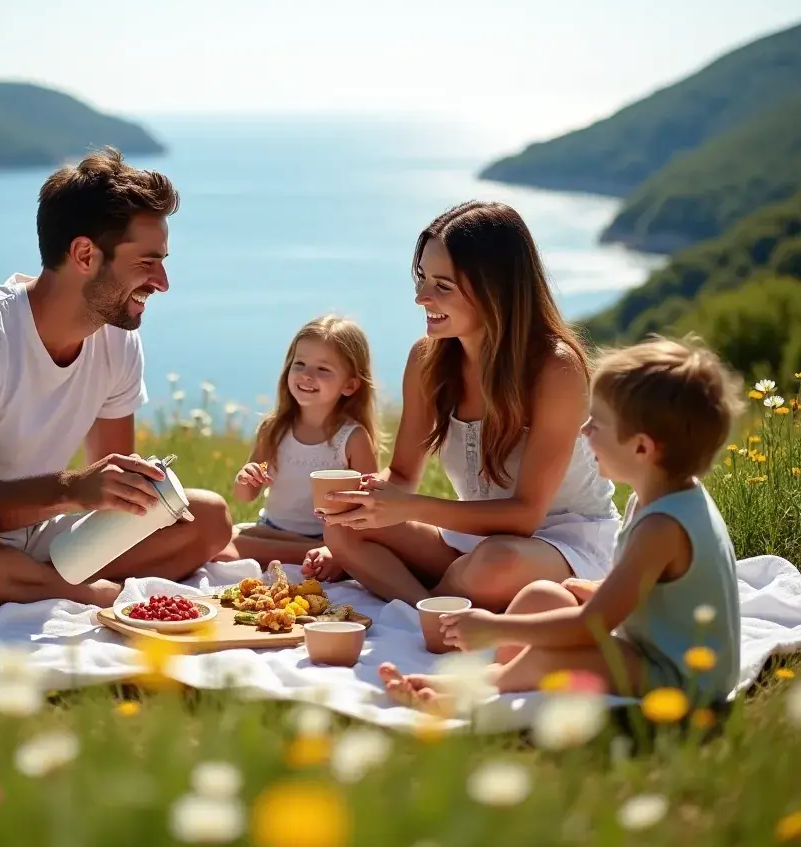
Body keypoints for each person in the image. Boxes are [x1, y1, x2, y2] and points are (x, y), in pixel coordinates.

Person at [0, 147, 233, 616]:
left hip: (31, 534)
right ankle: (82, 593)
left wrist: (140, 496)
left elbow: (117, 500)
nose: (163, 281)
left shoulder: (117, 340)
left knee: (209, 518)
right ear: (85, 254)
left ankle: (26, 581)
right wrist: (70, 490)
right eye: (147, 262)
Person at [380, 336, 744, 708]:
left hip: (683, 677)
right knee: (541, 596)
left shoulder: (661, 527)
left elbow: (590, 626)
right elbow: (653, 590)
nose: (583, 431)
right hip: (654, 648)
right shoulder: (662, 497)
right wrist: (595, 588)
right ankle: (500, 678)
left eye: (596, 424)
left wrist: (494, 627)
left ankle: (463, 693)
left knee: (547, 656)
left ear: (641, 448)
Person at [320, 201, 620, 610]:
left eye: (443, 286)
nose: (422, 298)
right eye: (423, 278)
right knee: (344, 530)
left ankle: (430, 605)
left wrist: (410, 508)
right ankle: (429, 612)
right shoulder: (427, 360)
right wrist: (365, 500)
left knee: (497, 563)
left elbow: (526, 516)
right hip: (474, 540)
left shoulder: (555, 368)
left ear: (495, 289)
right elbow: (403, 474)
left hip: (562, 545)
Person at [230, 315, 379, 580]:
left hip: (326, 538)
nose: (307, 376)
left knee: (225, 546)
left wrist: (334, 546)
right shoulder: (274, 429)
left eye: (323, 369)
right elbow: (246, 494)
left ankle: (324, 555)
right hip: (271, 530)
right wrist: (245, 478)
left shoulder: (352, 439)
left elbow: (369, 507)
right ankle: (307, 555)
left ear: (349, 385)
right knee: (220, 535)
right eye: (299, 364)